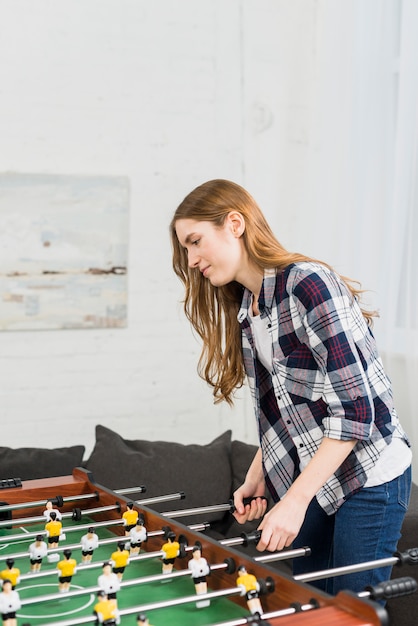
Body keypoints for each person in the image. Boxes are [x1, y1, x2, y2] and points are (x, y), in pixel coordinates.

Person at [170, 178, 412, 597]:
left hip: (368, 475)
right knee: (314, 606)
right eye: (185, 249)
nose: (191, 259)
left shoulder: (307, 284)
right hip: (319, 475)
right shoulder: (249, 309)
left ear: (234, 224)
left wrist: (295, 501)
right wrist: (257, 472)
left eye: (195, 241)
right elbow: (287, 408)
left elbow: (356, 413)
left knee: (351, 614)